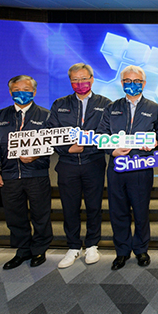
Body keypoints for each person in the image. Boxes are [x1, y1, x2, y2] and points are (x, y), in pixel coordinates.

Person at [47, 63, 111, 269]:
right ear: (70, 81)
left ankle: (92, 244)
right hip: (67, 165)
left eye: (84, 79)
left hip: (93, 163)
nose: (80, 83)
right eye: (75, 79)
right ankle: (73, 246)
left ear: (92, 79)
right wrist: (67, 149)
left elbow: (108, 133)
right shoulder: (59, 104)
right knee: (70, 207)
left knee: (94, 206)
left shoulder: (106, 104)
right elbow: (51, 133)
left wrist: (87, 148)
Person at [97, 66, 158, 270]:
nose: (131, 84)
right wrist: (112, 151)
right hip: (117, 167)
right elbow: (101, 135)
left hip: (141, 167)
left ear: (143, 83)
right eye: (127, 81)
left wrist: (156, 144)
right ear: (121, 82)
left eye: (136, 81)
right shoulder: (111, 107)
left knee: (141, 211)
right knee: (118, 211)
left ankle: (141, 250)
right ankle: (122, 251)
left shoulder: (154, 108)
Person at [0, 75, 52, 270]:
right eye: (17, 91)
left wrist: (36, 155)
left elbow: (52, 144)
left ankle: (39, 249)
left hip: (36, 175)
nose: (21, 94)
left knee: (41, 214)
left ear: (34, 92)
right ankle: (22, 250)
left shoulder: (46, 116)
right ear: (10, 92)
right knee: (15, 216)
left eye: (26, 90)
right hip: (9, 176)